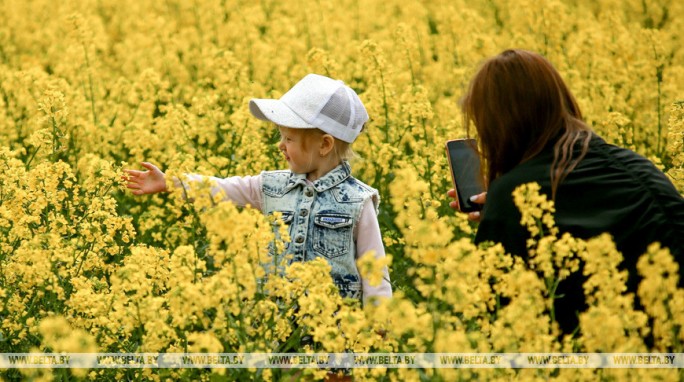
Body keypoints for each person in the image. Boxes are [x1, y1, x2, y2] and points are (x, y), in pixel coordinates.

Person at [448, 49, 684, 334]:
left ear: (497, 125)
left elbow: (498, 317)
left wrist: (502, 212)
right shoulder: (637, 166)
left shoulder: (511, 196)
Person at [125, 73, 392, 307]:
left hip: (337, 336)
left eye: (288, 139)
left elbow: (374, 270)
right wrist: (171, 182)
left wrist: (379, 323)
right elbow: (221, 188)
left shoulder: (358, 201)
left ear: (324, 145)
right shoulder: (270, 186)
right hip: (279, 332)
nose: (281, 145)